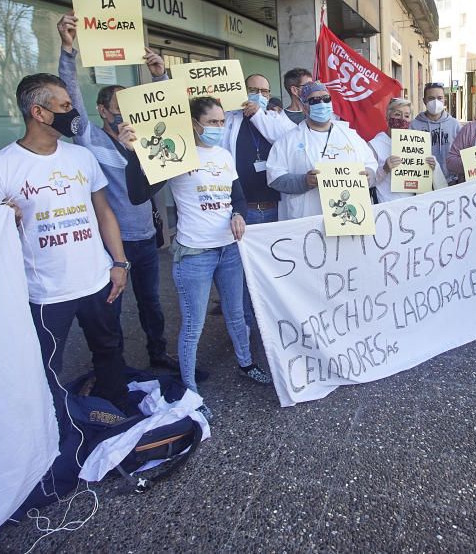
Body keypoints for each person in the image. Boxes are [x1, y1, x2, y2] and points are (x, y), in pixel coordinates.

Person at [0, 73, 134, 428]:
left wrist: (119, 262)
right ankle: (51, 425)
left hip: (98, 281)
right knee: (46, 364)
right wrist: (8, 220)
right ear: (39, 112)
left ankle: (118, 407)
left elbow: (104, 212)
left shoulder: (81, 157)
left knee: (110, 351)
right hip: (45, 292)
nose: (72, 113)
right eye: (64, 107)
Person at [120, 97, 272, 421]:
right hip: (194, 255)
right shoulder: (176, 155)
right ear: (194, 123)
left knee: (235, 315)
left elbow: (238, 197)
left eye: (221, 122)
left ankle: (246, 363)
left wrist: (239, 215)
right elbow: (137, 194)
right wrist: (135, 156)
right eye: (213, 122)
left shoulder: (223, 155)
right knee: (194, 325)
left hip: (229, 249)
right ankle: (190, 391)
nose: (219, 128)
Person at [55, 12, 188, 375]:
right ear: (101, 111)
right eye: (118, 111)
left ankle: (158, 356)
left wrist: (160, 75)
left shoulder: (145, 138)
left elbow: (168, 111)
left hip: (145, 239)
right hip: (110, 244)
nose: (125, 116)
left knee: (152, 305)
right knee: (109, 308)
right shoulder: (89, 137)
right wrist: (69, 51)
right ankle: (113, 371)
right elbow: (71, 95)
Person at [219, 73, 296, 333]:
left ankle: (274, 327)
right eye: (253, 90)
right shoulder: (229, 121)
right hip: (244, 213)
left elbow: (284, 138)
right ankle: (248, 328)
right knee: (242, 277)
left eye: (264, 91)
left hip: (274, 210)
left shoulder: (275, 120)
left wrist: (259, 115)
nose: (259, 96)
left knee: (274, 272)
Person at [266, 81, 378, 220]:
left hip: (346, 221)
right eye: (314, 100)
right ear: (304, 107)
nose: (322, 104)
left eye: (326, 99)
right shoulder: (288, 140)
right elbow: (274, 178)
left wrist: (369, 175)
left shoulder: (350, 136)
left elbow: (371, 165)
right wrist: (304, 181)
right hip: (307, 219)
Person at [368, 97, 437, 203]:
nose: (402, 119)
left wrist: (431, 168)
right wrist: (385, 169)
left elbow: (424, 179)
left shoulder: (417, 142)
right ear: (387, 116)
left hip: (412, 206)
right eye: (397, 114)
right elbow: (368, 181)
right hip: (386, 206)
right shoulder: (375, 145)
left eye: (406, 116)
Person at [411, 82, 461, 185]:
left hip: (451, 182)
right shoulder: (414, 126)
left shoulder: (454, 125)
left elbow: (462, 152)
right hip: (423, 183)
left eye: (439, 98)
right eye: (431, 98)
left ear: (444, 100)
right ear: (424, 101)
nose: (435, 102)